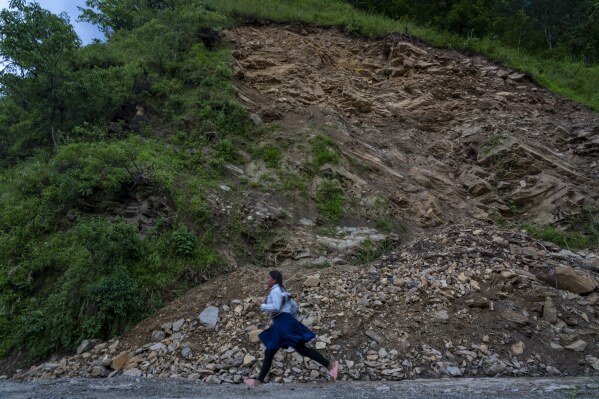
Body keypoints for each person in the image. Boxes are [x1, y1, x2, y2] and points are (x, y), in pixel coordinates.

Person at [243, 270, 339, 386]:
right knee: (277, 351)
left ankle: (258, 381)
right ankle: (330, 366)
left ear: (274, 280)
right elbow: (294, 306)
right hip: (284, 322)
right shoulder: (283, 290)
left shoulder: (276, 290)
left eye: (268, 278)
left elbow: (276, 307)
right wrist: (291, 320)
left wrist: (261, 305)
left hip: (281, 323)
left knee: (274, 350)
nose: (266, 280)